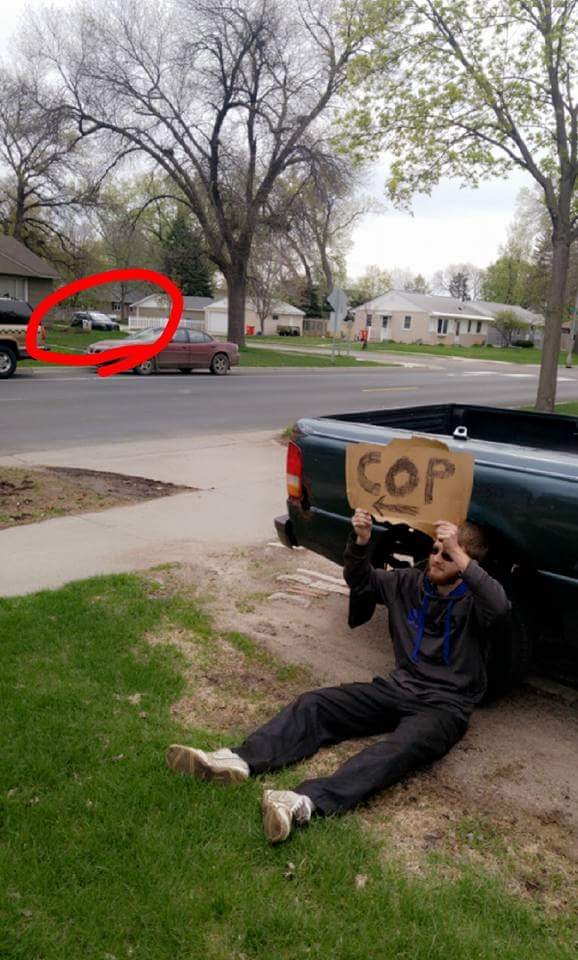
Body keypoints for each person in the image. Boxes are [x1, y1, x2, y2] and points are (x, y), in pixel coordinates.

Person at [166, 511, 511, 843]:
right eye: (434, 549)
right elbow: (362, 581)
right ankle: (239, 760)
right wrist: (361, 543)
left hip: (443, 707)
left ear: (469, 564)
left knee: (395, 750)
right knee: (317, 703)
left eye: (447, 555)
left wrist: (459, 554)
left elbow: (500, 606)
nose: (436, 558)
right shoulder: (408, 584)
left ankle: (304, 802)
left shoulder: (477, 602)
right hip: (398, 689)